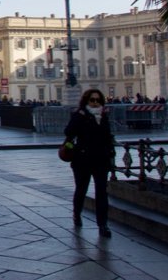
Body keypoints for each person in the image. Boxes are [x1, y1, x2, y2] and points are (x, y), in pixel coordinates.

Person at [64, 88, 115, 238]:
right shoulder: (79, 115)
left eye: (98, 100)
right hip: (82, 159)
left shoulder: (104, 116)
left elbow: (107, 135)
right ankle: (76, 213)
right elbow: (68, 132)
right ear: (86, 101)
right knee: (81, 189)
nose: (95, 103)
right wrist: (79, 118)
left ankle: (103, 224)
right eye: (92, 100)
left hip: (100, 159)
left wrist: (110, 152)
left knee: (101, 192)